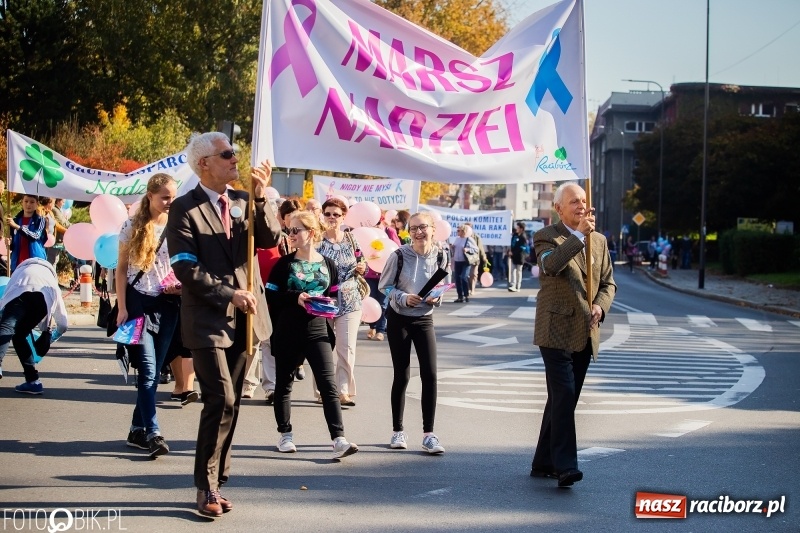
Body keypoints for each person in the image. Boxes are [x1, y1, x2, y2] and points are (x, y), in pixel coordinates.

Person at [166, 132, 282, 518]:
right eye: (227, 154)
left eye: (235, 153)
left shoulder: (244, 200)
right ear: (204, 164)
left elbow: (270, 238)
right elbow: (185, 266)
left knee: (233, 401)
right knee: (221, 398)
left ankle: (219, 477)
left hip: (246, 318)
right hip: (207, 316)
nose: (236, 159)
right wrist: (228, 293)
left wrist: (261, 197)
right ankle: (206, 486)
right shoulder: (184, 208)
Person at [530, 182, 616, 488]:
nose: (582, 206)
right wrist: (578, 235)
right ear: (559, 209)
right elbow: (551, 266)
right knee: (564, 394)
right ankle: (565, 466)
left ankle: (543, 461)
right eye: (574, 202)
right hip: (555, 331)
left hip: (585, 331)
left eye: (584, 200)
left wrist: (600, 306)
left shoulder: (599, 241)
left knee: (563, 399)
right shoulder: (546, 236)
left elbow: (608, 283)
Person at [265, 210, 359, 459]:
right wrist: (295, 297)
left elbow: (334, 294)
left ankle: (339, 439)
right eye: (289, 230)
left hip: (318, 329)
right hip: (288, 330)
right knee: (284, 384)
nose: (291, 234)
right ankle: (285, 435)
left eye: (296, 230)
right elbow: (270, 294)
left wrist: (328, 304)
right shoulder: (285, 264)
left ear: (312, 233)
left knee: (328, 385)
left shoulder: (328, 264)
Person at [116, 173, 182, 458]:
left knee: (154, 374)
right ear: (150, 195)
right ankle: (153, 432)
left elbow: (182, 264)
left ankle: (136, 430)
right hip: (138, 303)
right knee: (147, 371)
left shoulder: (178, 224)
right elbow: (120, 270)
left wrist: (180, 285)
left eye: (173, 197)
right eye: (165, 197)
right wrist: (122, 307)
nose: (170, 202)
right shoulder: (132, 225)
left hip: (168, 303)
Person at [378, 212, 450, 454]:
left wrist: (436, 298)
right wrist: (402, 297)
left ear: (433, 229)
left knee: (430, 374)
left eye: (423, 227)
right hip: (399, 318)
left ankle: (429, 435)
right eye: (413, 228)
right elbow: (384, 286)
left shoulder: (441, 255)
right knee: (402, 374)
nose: (418, 232)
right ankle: (397, 430)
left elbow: (442, 285)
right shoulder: (398, 256)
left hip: (424, 318)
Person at [317, 198, 365, 406]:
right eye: (328, 214)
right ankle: (323, 390)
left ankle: (343, 391)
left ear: (343, 217)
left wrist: (362, 267)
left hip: (350, 301)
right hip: (323, 301)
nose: (332, 218)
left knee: (346, 348)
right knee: (323, 348)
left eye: (336, 214)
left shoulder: (351, 239)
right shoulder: (317, 241)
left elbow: (361, 259)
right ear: (323, 215)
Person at [0, 258, 68, 392]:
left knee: (7, 327)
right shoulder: (51, 283)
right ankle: (33, 381)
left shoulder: (20, 271)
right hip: (42, 300)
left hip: (20, 290)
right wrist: (50, 337)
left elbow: (4, 301)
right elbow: (63, 324)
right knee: (19, 335)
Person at [365, 212, 401, 342]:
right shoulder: (366, 233)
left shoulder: (389, 231)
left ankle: (380, 330)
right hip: (369, 274)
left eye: (377, 222)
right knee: (370, 300)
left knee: (383, 302)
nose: (375, 225)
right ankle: (372, 327)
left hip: (386, 274)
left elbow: (397, 249)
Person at [7, 194, 48, 272]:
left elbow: (35, 236)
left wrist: (18, 227)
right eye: (26, 201)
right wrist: (10, 242)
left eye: (32, 202)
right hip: (18, 263)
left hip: (35, 263)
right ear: (21, 202)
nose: (28, 204)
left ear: (37, 204)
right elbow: (13, 242)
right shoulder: (15, 220)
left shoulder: (40, 220)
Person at [450, 224, 477, 303]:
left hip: (465, 261)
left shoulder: (469, 239)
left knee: (463, 277)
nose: (457, 232)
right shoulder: (457, 239)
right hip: (457, 261)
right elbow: (455, 249)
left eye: (459, 231)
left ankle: (466, 295)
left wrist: (467, 250)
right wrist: (452, 247)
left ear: (463, 231)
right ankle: (460, 296)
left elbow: (476, 249)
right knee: (457, 279)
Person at [507, 222, 528, 292]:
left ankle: (518, 286)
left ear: (521, 229)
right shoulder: (514, 235)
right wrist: (510, 251)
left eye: (518, 227)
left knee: (518, 271)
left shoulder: (523, 237)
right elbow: (512, 244)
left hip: (520, 257)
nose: (516, 229)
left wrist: (514, 252)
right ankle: (513, 284)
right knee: (512, 270)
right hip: (513, 256)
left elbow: (522, 248)